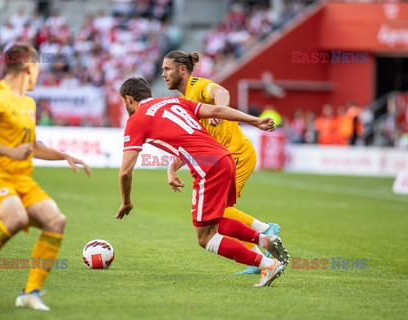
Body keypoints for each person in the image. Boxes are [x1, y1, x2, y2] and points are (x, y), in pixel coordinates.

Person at [0, 43, 91, 311]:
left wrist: (64, 156)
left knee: (56, 221)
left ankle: (30, 293)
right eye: (37, 67)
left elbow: (31, 146)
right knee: (16, 218)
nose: (39, 74)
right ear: (28, 66)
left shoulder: (28, 103)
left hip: (22, 179)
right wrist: (8, 152)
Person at [115, 77, 289, 287]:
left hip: (208, 167)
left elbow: (125, 171)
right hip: (225, 158)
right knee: (216, 219)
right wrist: (255, 121)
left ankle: (267, 264)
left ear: (129, 98)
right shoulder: (174, 102)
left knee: (205, 237)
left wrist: (126, 201)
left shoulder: (136, 120)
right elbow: (218, 111)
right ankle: (265, 239)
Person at [161, 50, 280, 274]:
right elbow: (191, 142)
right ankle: (259, 254)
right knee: (219, 213)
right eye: (162, 70)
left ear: (182, 70)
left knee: (218, 213)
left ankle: (265, 231)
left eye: (167, 69)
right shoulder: (184, 101)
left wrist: (220, 111)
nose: (163, 74)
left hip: (236, 154)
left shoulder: (197, 85)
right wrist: (171, 168)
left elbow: (221, 91)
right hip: (223, 158)